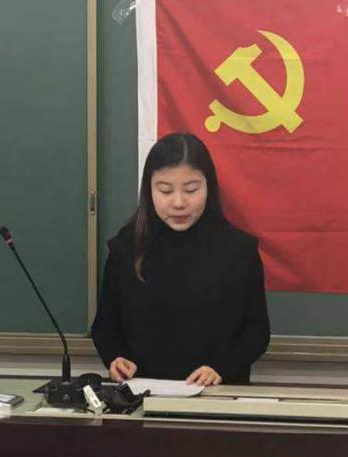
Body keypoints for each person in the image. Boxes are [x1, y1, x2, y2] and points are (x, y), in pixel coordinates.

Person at [91, 132, 270, 386]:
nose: (178, 202)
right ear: (149, 190)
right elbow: (105, 327)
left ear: (209, 187)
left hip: (217, 395)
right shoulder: (126, 249)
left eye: (191, 190)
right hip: (142, 395)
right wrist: (115, 358)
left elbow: (256, 332)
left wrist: (221, 368)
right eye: (165, 190)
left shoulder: (239, 251)